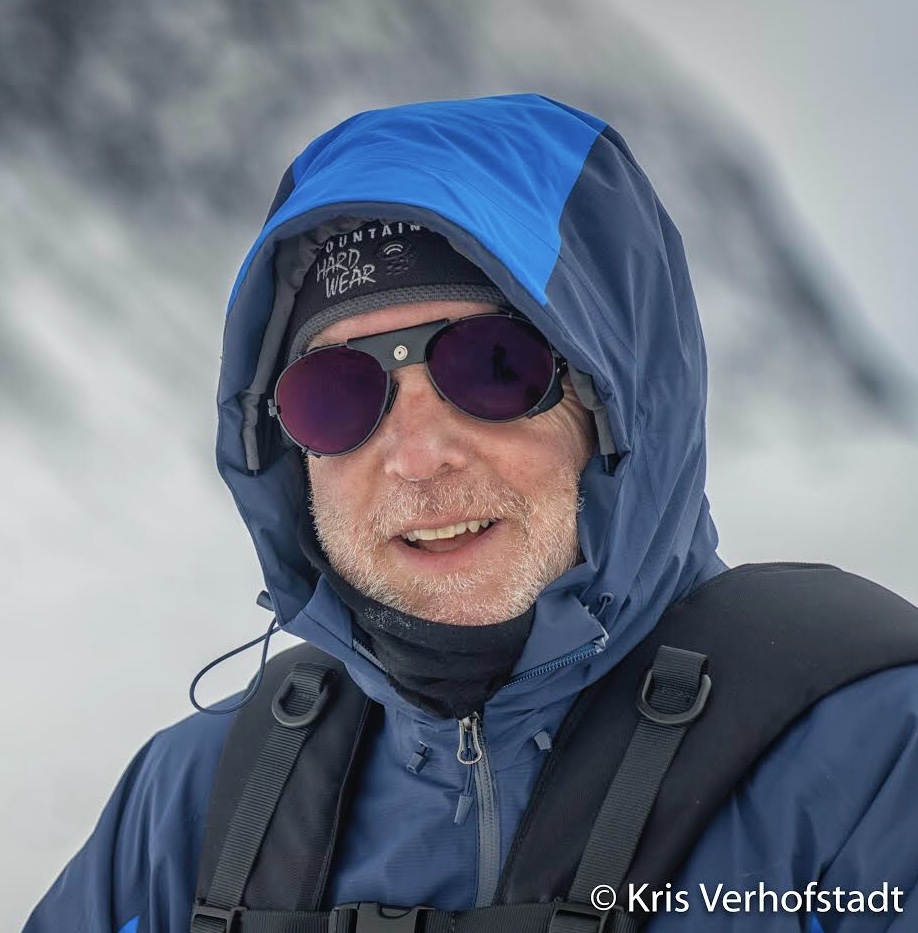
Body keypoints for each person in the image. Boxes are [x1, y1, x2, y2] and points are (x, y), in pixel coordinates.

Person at [25, 94, 918, 933]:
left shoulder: (874, 760)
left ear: (622, 405)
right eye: (337, 393)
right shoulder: (195, 802)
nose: (417, 455)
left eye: (493, 365)